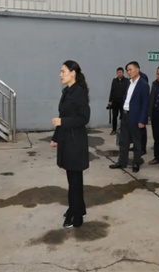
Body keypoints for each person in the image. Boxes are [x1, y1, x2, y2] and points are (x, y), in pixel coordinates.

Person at [50, 60, 91, 229]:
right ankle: (77, 208)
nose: (60, 75)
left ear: (73, 73)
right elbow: (63, 115)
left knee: (75, 181)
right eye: (60, 71)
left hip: (75, 142)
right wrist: (56, 137)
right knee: (72, 179)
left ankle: (77, 214)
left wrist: (63, 122)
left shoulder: (79, 93)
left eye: (63, 71)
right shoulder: (67, 91)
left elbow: (84, 118)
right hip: (67, 139)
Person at [110, 61, 150, 173]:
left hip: (136, 117)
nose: (129, 72)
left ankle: (136, 163)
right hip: (125, 115)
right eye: (127, 70)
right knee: (124, 141)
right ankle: (122, 161)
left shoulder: (143, 84)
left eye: (131, 69)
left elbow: (145, 103)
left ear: (137, 69)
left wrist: (142, 120)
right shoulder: (128, 83)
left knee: (136, 142)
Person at [108, 67, 128, 135]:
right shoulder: (114, 81)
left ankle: (123, 129)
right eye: (118, 72)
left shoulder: (126, 81)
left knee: (123, 116)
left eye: (120, 72)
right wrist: (110, 100)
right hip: (115, 101)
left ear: (123, 73)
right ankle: (114, 129)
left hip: (123, 101)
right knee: (114, 116)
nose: (119, 74)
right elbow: (112, 91)